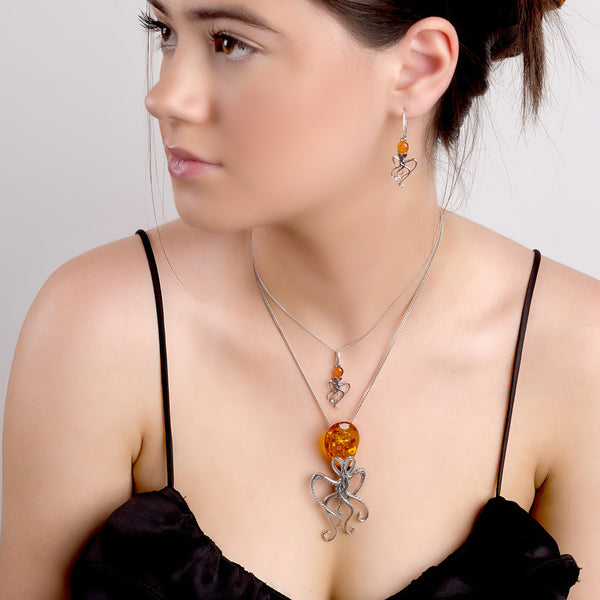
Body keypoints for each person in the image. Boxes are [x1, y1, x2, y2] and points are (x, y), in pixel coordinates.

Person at [1, 0, 598, 598]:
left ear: (417, 68)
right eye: (165, 31)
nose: (164, 97)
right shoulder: (97, 329)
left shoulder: (575, 351)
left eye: (229, 43)